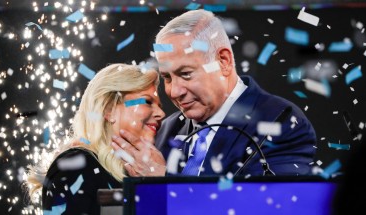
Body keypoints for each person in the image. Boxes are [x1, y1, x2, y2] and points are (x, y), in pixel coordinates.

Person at [111, 9, 317, 177]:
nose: (174, 91)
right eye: (167, 77)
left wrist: (165, 180)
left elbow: (264, 204)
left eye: (185, 73)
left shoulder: (281, 122)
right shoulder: (166, 130)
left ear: (223, 61)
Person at [24, 63, 165, 214]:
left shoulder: (142, 171)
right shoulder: (75, 165)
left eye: (159, 105)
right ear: (109, 109)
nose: (161, 114)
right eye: (148, 102)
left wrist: (162, 181)